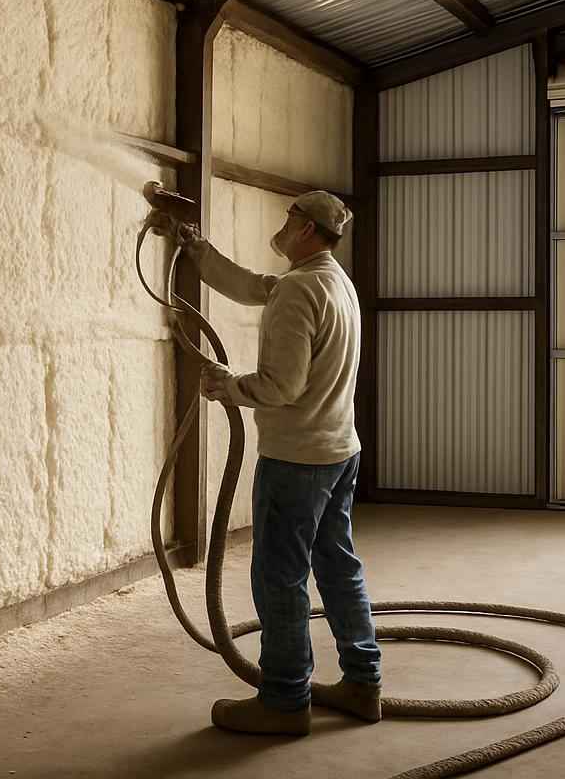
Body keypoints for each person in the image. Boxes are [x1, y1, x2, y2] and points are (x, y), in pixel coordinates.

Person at [172, 191, 382, 737]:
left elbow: (281, 386)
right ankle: (363, 683)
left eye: (291, 218)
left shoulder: (298, 290)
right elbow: (254, 286)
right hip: (339, 450)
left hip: (297, 459)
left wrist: (229, 386)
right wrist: (200, 253)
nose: (283, 225)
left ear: (307, 229)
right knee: (337, 566)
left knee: (279, 578)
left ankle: (285, 701)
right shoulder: (333, 280)